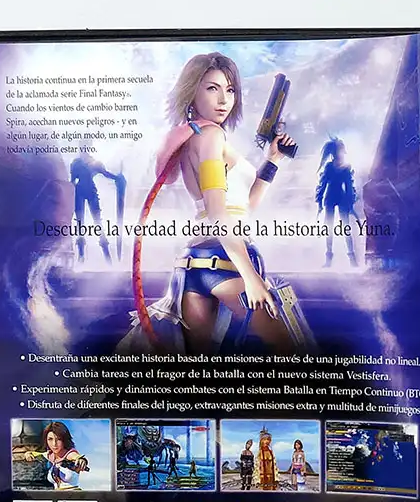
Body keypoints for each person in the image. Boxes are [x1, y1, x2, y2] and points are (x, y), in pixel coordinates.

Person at [125, 52, 297, 354]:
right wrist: (252, 278)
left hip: (193, 266)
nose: (223, 100)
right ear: (192, 91)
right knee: (292, 350)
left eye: (230, 90)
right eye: (212, 88)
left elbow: (241, 208)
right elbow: (219, 214)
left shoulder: (194, 136)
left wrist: (272, 161)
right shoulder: (211, 136)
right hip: (223, 261)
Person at [315, 136, 360, 267]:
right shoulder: (330, 167)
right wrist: (319, 202)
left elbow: (349, 186)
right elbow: (323, 184)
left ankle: (351, 258)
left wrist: (350, 204)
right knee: (329, 227)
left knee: (346, 227)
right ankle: (329, 258)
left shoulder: (346, 167)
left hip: (341, 197)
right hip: (331, 197)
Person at [18, 421, 90, 490]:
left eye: (59, 439)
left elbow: (77, 457)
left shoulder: (69, 454)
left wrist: (82, 460)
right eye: (50, 439)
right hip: (56, 495)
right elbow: (35, 453)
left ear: (64, 440)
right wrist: (28, 454)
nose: (54, 444)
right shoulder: (50, 455)